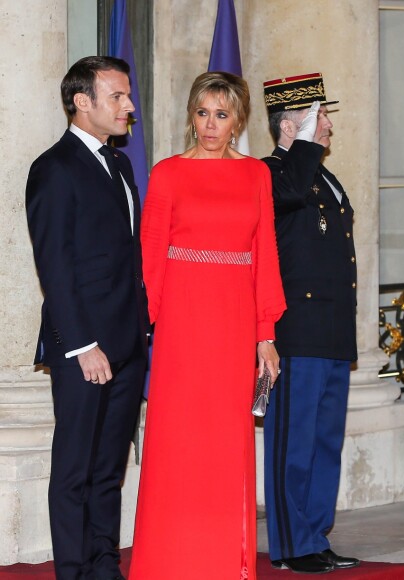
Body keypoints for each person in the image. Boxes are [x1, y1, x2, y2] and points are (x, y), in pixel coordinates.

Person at [129, 71, 286, 580]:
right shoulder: (168, 173)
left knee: (226, 442)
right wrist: (137, 330)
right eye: (202, 113)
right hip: (181, 327)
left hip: (235, 326)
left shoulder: (256, 176)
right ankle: (166, 562)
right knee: (177, 442)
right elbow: (150, 259)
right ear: (191, 115)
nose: (210, 125)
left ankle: (224, 562)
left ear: (237, 119)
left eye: (221, 114)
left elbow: (265, 257)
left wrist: (266, 334)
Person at [25, 56, 150, 580]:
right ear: (83, 102)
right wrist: (81, 346)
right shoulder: (53, 168)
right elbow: (55, 266)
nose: (130, 106)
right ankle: (73, 571)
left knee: (107, 470)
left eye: (128, 96)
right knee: (74, 469)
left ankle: (103, 566)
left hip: (125, 341)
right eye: (118, 96)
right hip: (83, 349)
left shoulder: (119, 164)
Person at [261, 73, 359, 574]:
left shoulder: (323, 176)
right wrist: (299, 144)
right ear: (292, 125)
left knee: (325, 442)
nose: (330, 126)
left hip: (332, 330)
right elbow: (285, 197)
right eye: (321, 117)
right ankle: (292, 545)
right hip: (295, 332)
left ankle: (316, 535)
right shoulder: (270, 173)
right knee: (293, 444)